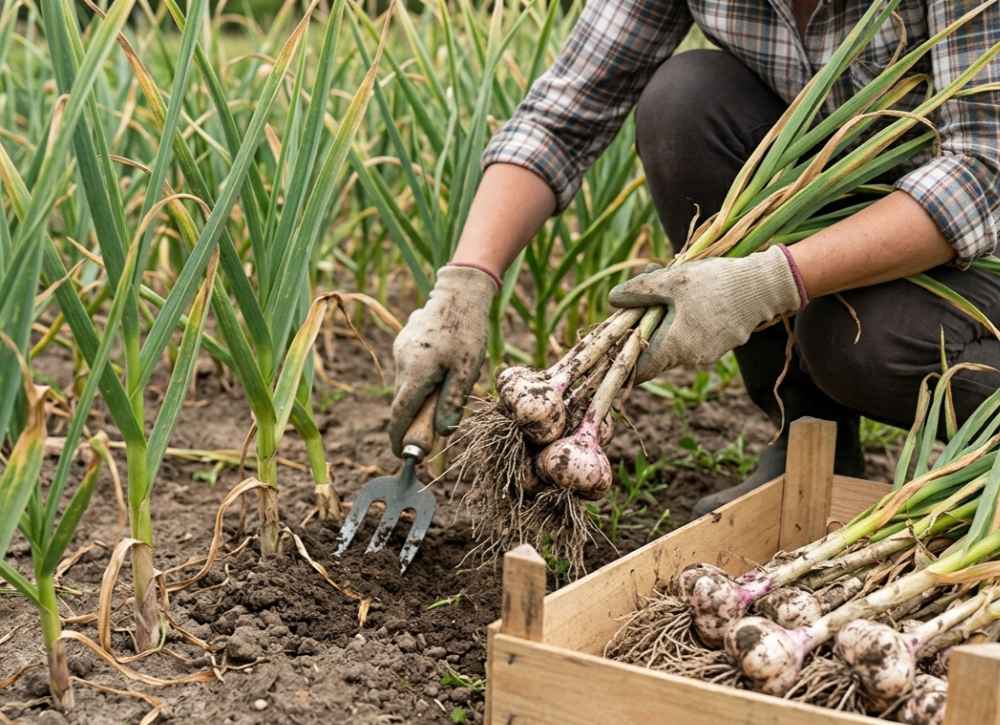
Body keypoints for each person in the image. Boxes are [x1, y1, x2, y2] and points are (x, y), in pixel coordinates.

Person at [388, 0, 1000, 516]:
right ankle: (811, 438)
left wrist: (769, 281)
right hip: (867, 209)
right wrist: (465, 284)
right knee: (688, 102)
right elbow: (562, 118)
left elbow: (982, 169)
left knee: (857, 341)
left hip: (982, 242)